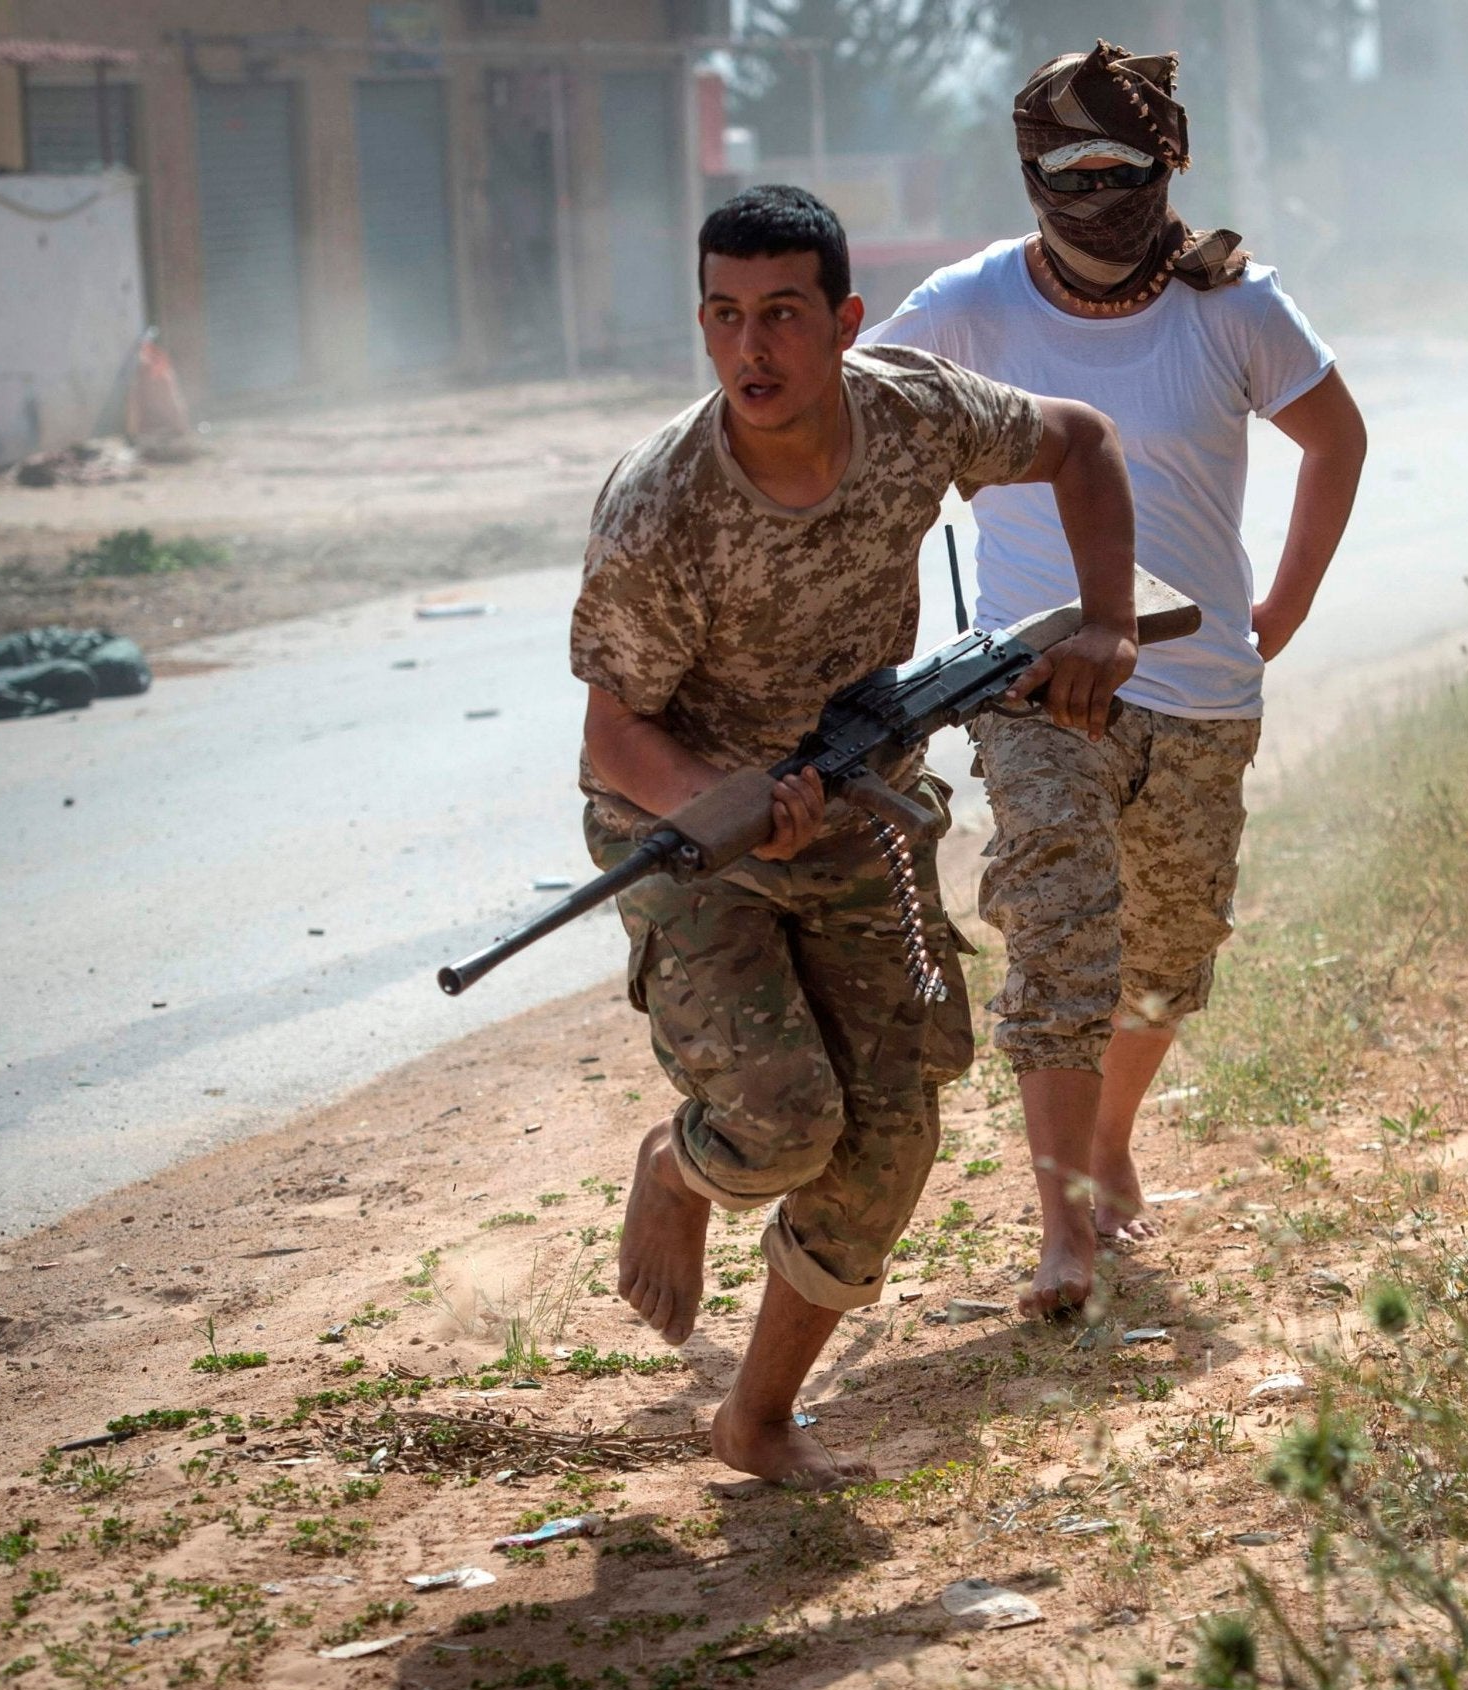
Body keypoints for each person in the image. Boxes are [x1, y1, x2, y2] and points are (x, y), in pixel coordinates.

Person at [577, 185, 1140, 1487]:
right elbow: (616, 740)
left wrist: (1107, 621)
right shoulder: (662, 502)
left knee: (892, 1139)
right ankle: (679, 1164)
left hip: (855, 807)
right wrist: (735, 811)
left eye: (782, 316)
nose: (751, 351)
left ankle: (757, 1417)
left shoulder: (913, 412)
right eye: (724, 318)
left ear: (844, 321)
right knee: (779, 1123)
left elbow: (1085, 441)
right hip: (688, 834)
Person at [865, 40, 1367, 1318]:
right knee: (1059, 935)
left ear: (1168, 162)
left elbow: (1335, 439)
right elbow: (857, 420)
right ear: (1030, 174)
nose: (1096, 192)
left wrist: (1282, 608)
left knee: (1169, 951)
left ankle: (1105, 1138)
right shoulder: (972, 305)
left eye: (1122, 165)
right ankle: (1065, 1230)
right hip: (1042, 690)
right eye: (1067, 169)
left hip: (1200, 683)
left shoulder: (1235, 308)